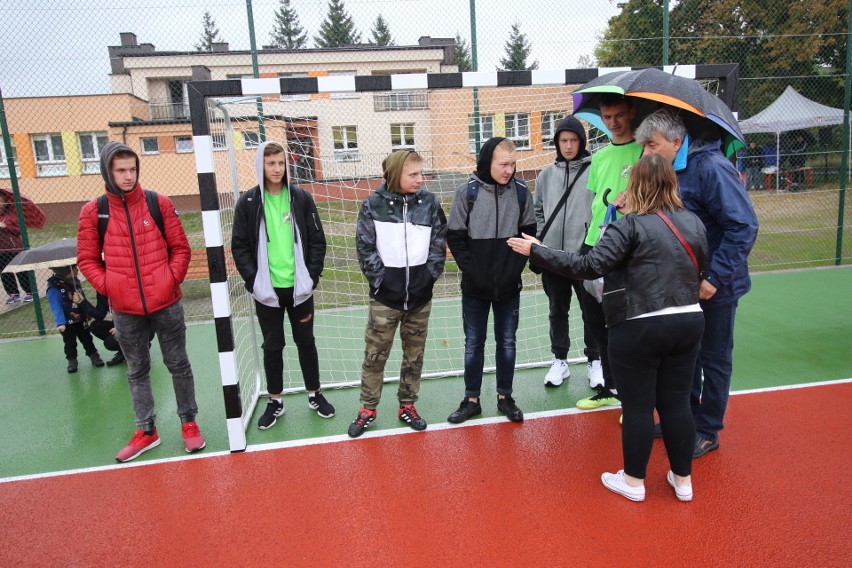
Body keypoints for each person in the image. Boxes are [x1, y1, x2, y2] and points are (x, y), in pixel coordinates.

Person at [509, 154, 709, 502]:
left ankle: (633, 482)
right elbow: (700, 266)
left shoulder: (628, 226)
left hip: (638, 325)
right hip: (688, 320)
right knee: (677, 404)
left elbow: (590, 265)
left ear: (636, 185)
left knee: (637, 406)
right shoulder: (692, 222)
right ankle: (683, 481)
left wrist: (538, 251)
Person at [635, 108, 759, 458]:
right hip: (679, 286)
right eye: (644, 145)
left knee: (714, 357)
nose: (646, 152)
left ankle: (707, 429)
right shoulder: (669, 169)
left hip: (715, 287)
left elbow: (744, 227)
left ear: (677, 141)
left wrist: (714, 279)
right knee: (682, 357)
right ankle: (682, 419)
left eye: (652, 145)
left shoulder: (711, 168)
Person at [77, 141, 205, 462]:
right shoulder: (94, 212)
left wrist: (169, 280)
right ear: (108, 171)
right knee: (137, 370)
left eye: (132, 169)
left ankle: (189, 422)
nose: (128, 176)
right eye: (121, 170)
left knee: (178, 364)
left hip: (166, 302)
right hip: (125, 309)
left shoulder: (157, 203)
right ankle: (146, 430)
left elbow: (181, 249)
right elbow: (87, 259)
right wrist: (111, 287)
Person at [232, 141, 334, 430]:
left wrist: (311, 276)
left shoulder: (301, 198)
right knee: (272, 346)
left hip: (299, 289)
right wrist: (254, 282)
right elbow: (239, 246)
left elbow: (317, 240)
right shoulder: (248, 203)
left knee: (306, 343)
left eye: (280, 163)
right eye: (270, 163)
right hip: (267, 291)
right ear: (260, 166)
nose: (276, 169)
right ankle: (275, 401)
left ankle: (315, 394)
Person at [347, 150, 447, 438]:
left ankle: (407, 405)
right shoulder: (373, 205)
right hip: (384, 299)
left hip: (420, 298)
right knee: (375, 356)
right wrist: (381, 282)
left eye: (421, 173)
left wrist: (428, 278)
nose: (420, 179)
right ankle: (367, 408)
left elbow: (439, 244)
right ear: (395, 175)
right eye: (413, 174)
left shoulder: (429, 203)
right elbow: (364, 247)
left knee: (414, 356)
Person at [446, 137, 536, 424]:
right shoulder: (466, 193)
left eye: (512, 164)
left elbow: (528, 235)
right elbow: (456, 237)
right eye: (503, 164)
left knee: (507, 342)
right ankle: (471, 399)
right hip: (475, 287)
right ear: (487, 162)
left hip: (509, 286)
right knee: (474, 343)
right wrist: (473, 271)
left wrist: (512, 271)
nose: (509, 170)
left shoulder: (522, 192)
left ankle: (505, 397)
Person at [575, 94, 643, 411]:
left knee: (625, 326)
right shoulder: (599, 157)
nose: (613, 122)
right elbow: (593, 204)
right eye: (606, 116)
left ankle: (632, 399)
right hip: (594, 246)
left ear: (630, 112)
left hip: (626, 247)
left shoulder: (645, 151)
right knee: (595, 321)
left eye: (618, 114)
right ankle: (608, 388)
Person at [532, 116, 602, 388]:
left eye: (573, 140)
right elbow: (538, 210)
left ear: (582, 142)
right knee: (556, 310)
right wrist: (542, 239)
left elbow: (598, 209)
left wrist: (589, 241)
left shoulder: (594, 169)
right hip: (552, 258)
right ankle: (559, 360)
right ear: (557, 143)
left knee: (591, 311)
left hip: (583, 256)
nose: (569, 145)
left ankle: (595, 361)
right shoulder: (546, 174)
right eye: (564, 140)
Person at [46, 265, 105, 373]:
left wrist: (87, 313)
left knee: (87, 339)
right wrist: (60, 323)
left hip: (81, 319)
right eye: (74, 268)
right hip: (67, 322)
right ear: (66, 272)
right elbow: (55, 306)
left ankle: (94, 356)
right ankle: (72, 361)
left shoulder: (75, 282)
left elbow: (82, 298)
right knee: (70, 342)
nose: (77, 270)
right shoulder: (54, 288)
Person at [0, 192, 34, 304]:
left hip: (14, 248)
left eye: (0, 200)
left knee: (20, 270)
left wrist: (6, 226)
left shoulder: (13, 214)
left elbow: (20, 230)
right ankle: (13, 294)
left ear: (5, 202)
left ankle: (30, 292)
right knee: (4, 272)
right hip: (1, 249)